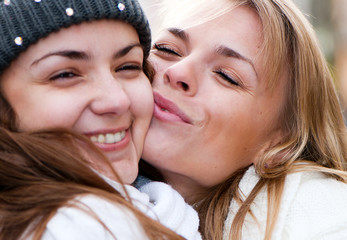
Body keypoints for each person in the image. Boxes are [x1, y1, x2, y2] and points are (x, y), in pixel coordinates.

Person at [139, 0, 347, 239]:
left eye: (226, 76)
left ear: (281, 145)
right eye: (166, 49)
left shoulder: (324, 220)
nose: (178, 71)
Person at [0, 0, 201, 239]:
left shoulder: (160, 208)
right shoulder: (70, 228)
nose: (117, 100)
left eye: (127, 66)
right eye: (65, 74)